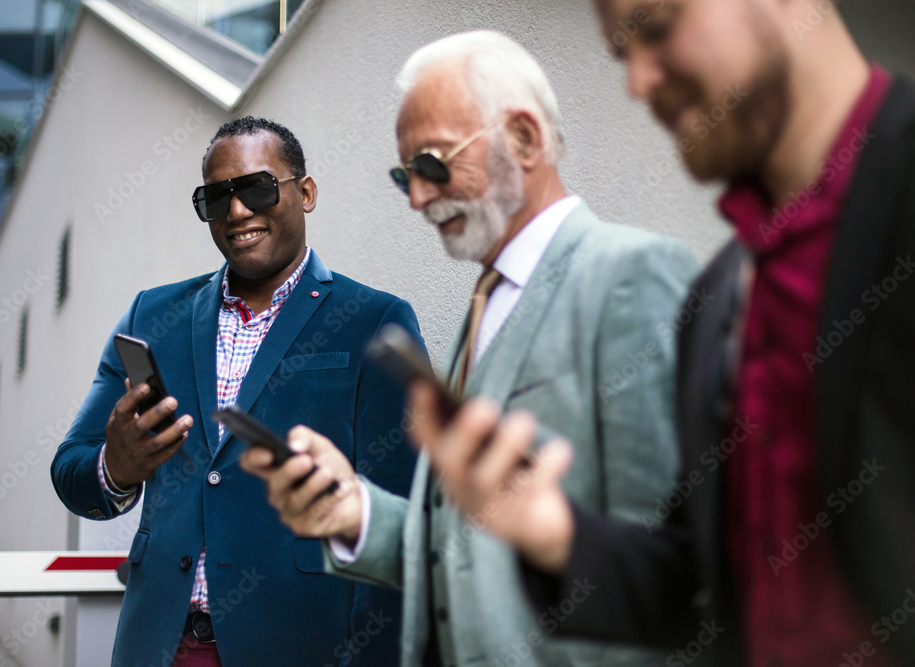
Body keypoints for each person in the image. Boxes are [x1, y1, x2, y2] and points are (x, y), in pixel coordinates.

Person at [409, 2, 915, 666]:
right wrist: (555, 531)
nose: (638, 82)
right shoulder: (719, 296)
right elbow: (698, 591)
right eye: (622, 54)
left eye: (657, 26)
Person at [241, 31, 699, 667]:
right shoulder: (489, 299)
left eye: (432, 165)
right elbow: (464, 556)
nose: (420, 198)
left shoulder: (631, 276)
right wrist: (354, 512)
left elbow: (670, 573)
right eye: (406, 177)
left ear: (525, 139)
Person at [50, 116, 420, 667]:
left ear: (307, 192)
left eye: (256, 187)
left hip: (300, 649)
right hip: (158, 646)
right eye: (216, 198)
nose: (238, 212)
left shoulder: (374, 321)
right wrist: (116, 467)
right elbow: (71, 471)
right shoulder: (151, 315)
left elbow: (401, 517)